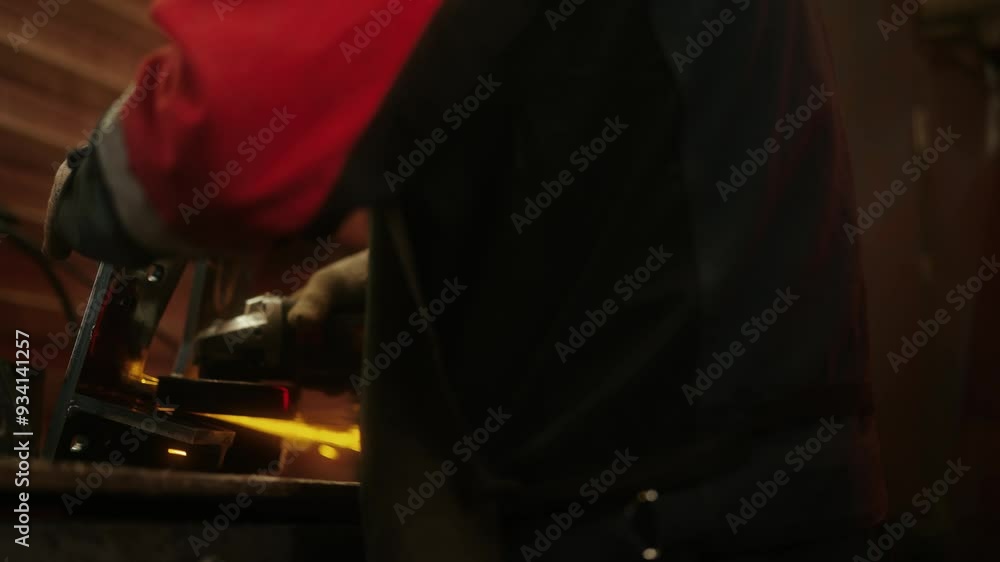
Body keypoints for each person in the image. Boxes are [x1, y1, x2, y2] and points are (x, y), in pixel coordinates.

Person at [43, 1, 887, 560]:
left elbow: (223, 124)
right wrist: (399, 292)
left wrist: (93, 182)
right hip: (770, 494)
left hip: (650, 516)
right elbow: (643, 182)